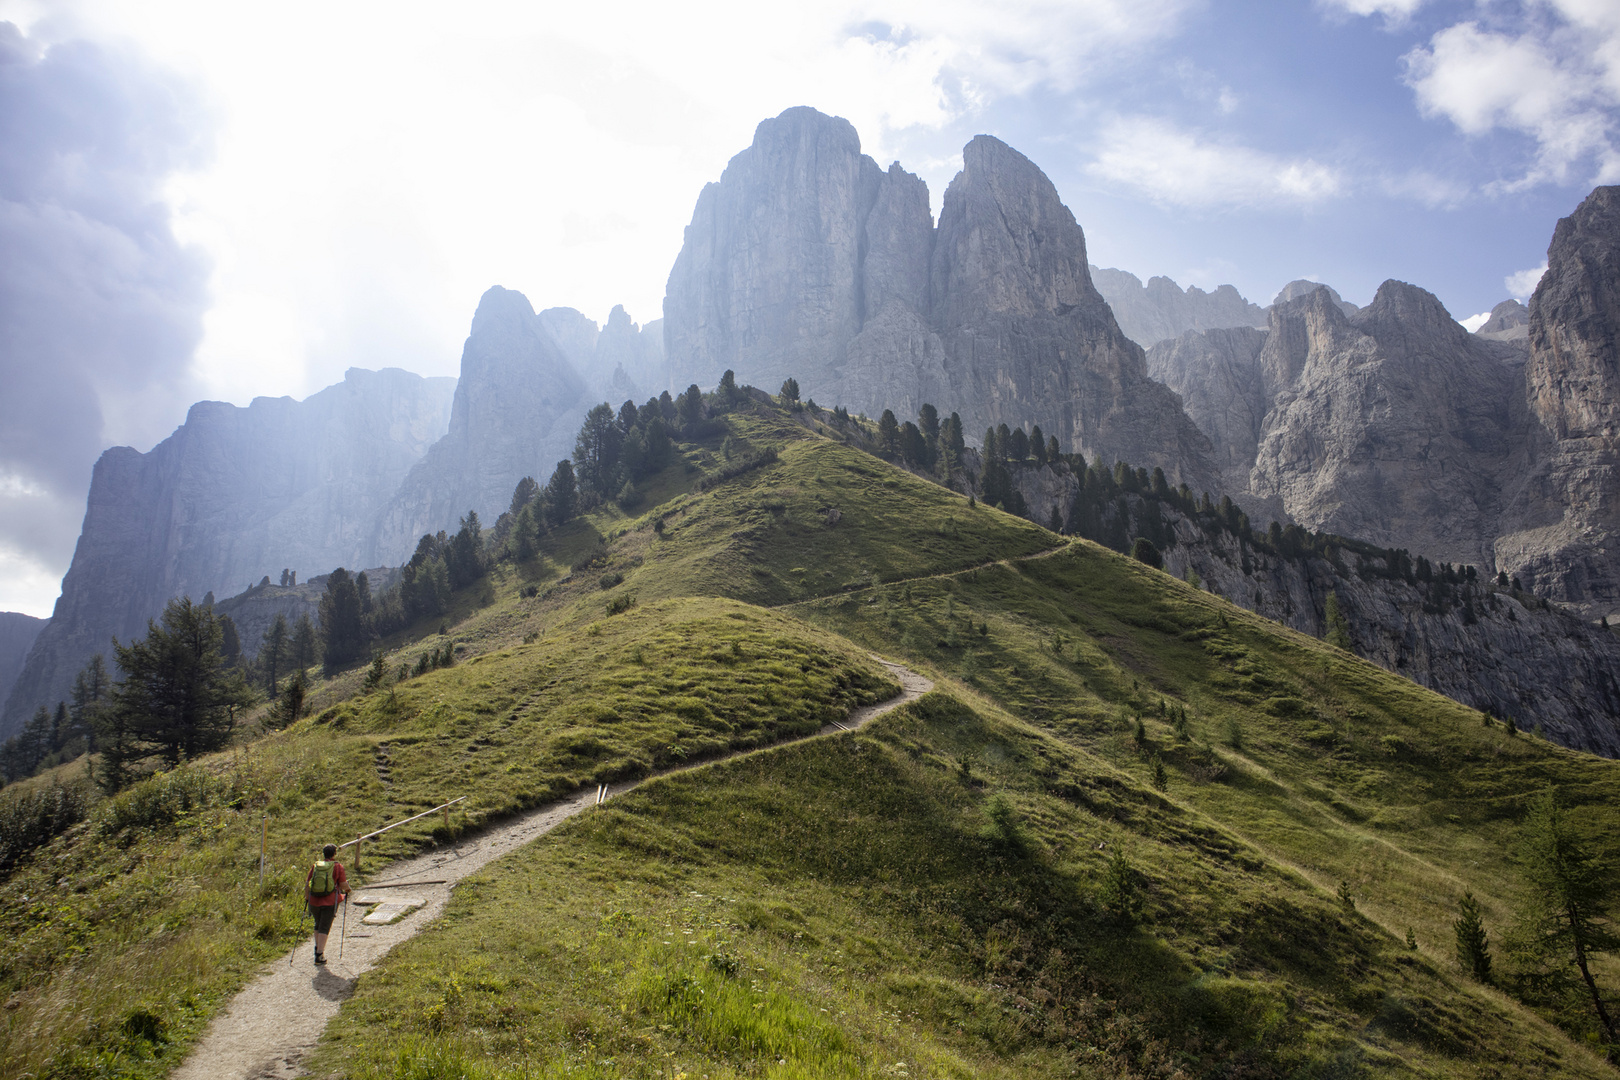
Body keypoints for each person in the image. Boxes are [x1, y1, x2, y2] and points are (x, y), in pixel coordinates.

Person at [304, 843, 350, 964]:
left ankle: (317, 947)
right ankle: (319, 954)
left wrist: (307, 898)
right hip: (329, 901)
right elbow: (343, 884)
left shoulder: (316, 866)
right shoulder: (338, 866)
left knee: (317, 924)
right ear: (334, 854)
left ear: (323, 853)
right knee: (325, 927)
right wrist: (349, 891)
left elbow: (308, 882)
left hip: (314, 900)